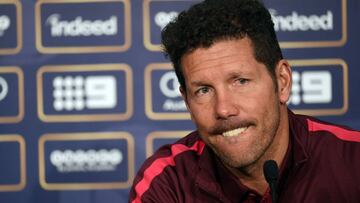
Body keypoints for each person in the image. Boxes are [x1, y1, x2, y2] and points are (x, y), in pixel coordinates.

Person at [129, 0, 360, 202]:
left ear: (282, 81)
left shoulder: (352, 160)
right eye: (203, 90)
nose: (224, 109)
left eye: (240, 81)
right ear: (187, 102)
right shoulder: (167, 183)